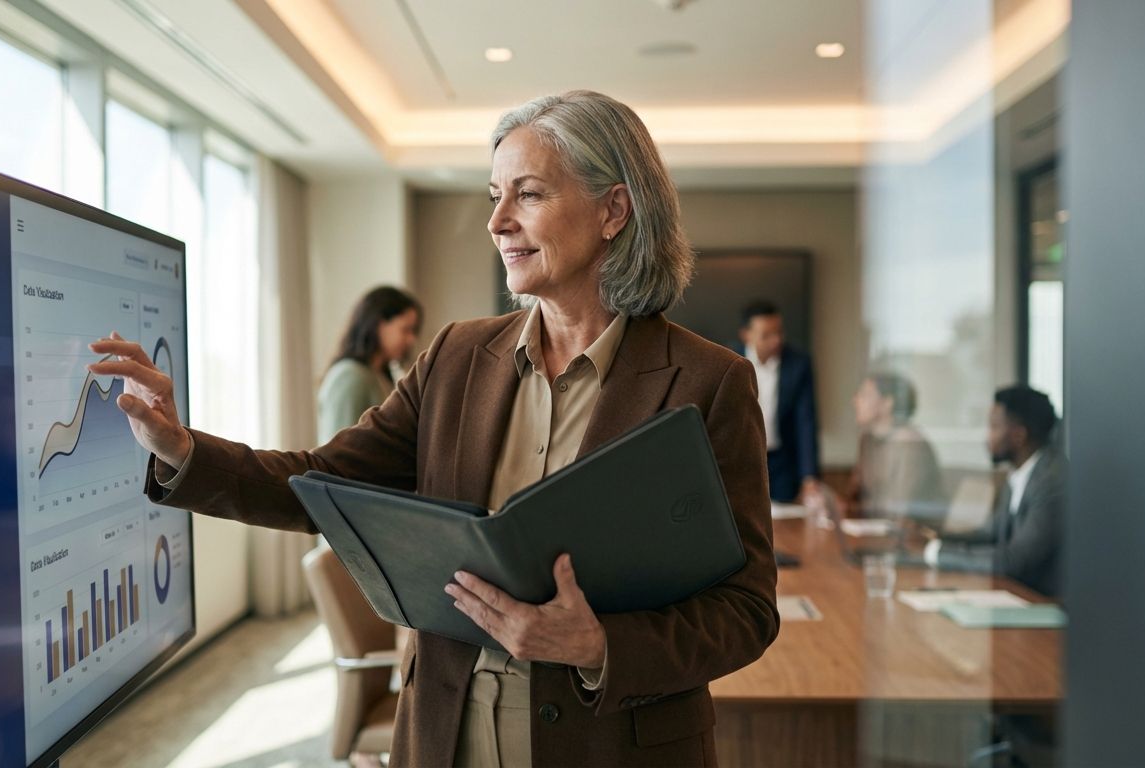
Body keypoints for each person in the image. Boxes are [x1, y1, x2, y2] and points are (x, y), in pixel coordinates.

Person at [88, 90, 778, 767]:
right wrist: (181, 448)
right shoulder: (455, 357)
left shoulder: (707, 382)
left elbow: (745, 610)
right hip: (446, 738)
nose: (498, 221)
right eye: (493, 197)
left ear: (613, 210)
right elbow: (319, 486)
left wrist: (598, 645)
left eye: (529, 194)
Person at [926, 385, 1066, 598]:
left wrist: (937, 553)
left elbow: (1011, 561)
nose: (987, 437)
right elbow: (990, 533)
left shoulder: (1052, 482)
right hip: (1016, 597)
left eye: (994, 427)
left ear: (1019, 435)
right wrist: (934, 538)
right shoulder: (1020, 473)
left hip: (1046, 607)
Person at [738, 301, 821, 504]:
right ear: (746, 335)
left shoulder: (799, 363)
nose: (776, 341)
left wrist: (809, 477)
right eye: (766, 335)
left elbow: (806, 421)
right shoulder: (728, 360)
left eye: (779, 333)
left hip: (782, 462)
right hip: (740, 461)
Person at [317, 286, 422, 443]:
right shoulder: (351, 376)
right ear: (378, 324)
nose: (411, 339)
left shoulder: (377, 375)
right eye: (405, 330)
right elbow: (339, 451)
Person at [843, 372, 943, 519]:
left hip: (909, 534)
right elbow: (854, 496)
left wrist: (850, 508)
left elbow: (900, 510)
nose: (855, 400)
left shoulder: (911, 445)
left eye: (865, 394)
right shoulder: (868, 440)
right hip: (876, 529)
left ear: (887, 403)